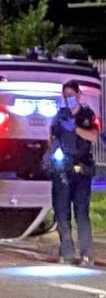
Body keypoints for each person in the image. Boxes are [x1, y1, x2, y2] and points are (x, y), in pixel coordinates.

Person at [49, 80, 98, 266]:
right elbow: (52, 137)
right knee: (62, 212)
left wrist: (75, 128)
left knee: (81, 213)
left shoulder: (87, 115)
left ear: (78, 95)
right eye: (65, 96)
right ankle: (67, 253)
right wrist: (53, 150)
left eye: (71, 95)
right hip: (63, 169)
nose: (68, 99)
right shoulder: (60, 116)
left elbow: (93, 136)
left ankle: (86, 254)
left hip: (83, 169)